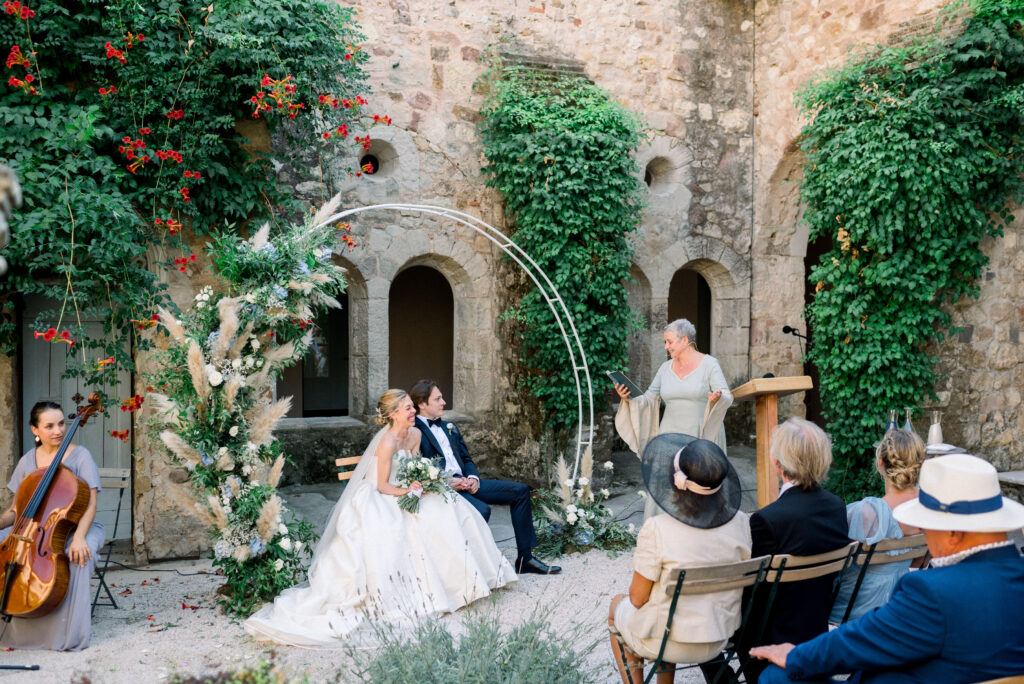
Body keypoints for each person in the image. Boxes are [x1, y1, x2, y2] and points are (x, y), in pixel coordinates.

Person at [244, 389, 517, 646]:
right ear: (394, 413)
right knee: (396, 525)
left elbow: (416, 466)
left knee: (452, 508)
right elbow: (383, 485)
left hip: (410, 488)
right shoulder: (386, 442)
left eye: (412, 407)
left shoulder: (415, 435)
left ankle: (468, 581)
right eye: (408, 408)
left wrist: (422, 483)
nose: (413, 412)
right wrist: (409, 491)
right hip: (382, 493)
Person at [753, 453, 1024, 683]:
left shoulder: (935, 593)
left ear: (953, 532)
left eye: (927, 525)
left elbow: (861, 641)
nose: (925, 533)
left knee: (776, 677)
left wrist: (794, 655)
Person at [703, 418, 848, 684]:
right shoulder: (837, 508)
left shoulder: (767, 520)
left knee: (702, 616)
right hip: (815, 631)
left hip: (768, 639)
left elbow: (750, 592)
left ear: (778, 464)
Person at [608, 434, 751, 684]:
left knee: (617, 605)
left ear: (676, 483)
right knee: (665, 611)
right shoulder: (741, 522)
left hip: (668, 640)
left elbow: (638, 599)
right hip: (718, 638)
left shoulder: (658, 528)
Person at [409, 379, 561, 575]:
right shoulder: (415, 432)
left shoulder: (450, 427)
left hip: (467, 482)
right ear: (422, 404)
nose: (444, 402)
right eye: (438, 399)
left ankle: (526, 559)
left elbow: (466, 458)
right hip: (445, 488)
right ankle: (468, 567)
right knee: (482, 510)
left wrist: (473, 477)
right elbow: (419, 468)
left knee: (520, 491)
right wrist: (448, 482)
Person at [0, 401, 105, 651]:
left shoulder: (81, 456)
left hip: (79, 525)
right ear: (35, 430)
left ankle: (68, 634)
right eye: (49, 426)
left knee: (78, 554)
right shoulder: (28, 461)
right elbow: (16, 511)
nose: (58, 430)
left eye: (61, 423)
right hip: (34, 529)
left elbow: (90, 505)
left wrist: (79, 537)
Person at [614, 319, 732, 518]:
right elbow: (649, 399)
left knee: (697, 483)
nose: (666, 346)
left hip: (699, 436)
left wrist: (717, 398)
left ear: (685, 340)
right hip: (668, 437)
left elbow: (728, 395)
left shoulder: (709, 364)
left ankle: (701, 529)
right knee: (666, 485)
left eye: (669, 342)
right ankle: (663, 532)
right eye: (665, 342)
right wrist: (628, 397)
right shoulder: (665, 368)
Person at [829, 429, 925, 623]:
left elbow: (836, 565)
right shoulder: (930, 509)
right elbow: (918, 564)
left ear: (880, 462)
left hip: (852, 612)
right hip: (897, 607)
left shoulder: (867, 513)